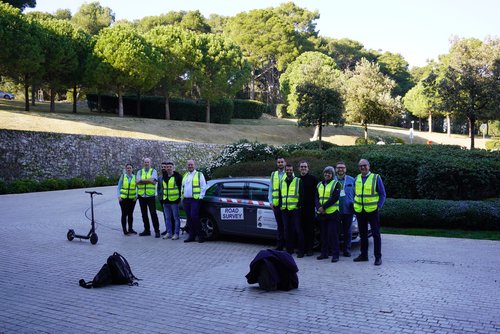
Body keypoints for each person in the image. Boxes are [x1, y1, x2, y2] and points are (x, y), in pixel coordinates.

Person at [353, 159, 386, 266]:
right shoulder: (356, 178)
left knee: (376, 234)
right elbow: (355, 193)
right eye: (360, 166)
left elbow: (382, 194)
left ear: (369, 166)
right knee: (362, 235)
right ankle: (364, 255)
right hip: (360, 211)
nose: (362, 167)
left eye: (364, 165)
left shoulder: (376, 178)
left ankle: (378, 257)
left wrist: (378, 206)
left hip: (372, 211)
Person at [315, 166, 342, 262]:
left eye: (329, 173)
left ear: (332, 174)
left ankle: (335, 255)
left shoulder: (336, 184)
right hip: (322, 214)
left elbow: (335, 198)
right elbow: (316, 198)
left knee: (333, 235)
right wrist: (318, 207)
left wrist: (323, 207)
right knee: (323, 235)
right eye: (326, 173)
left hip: (332, 213)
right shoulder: (319, 184)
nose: (327, 174)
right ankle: (324, 253)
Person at [280, 164, 305, 258]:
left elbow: (302, 195)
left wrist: (298, 206)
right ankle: (289, 250)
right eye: (287, 170)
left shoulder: (298, 180)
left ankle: (300, 251)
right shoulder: (282, 181)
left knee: (298, 231)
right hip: (285, 210)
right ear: (285, 171)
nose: (289, 171)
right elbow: (280, 194)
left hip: (295, 210)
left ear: (293, 170)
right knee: (287, 231)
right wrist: (281, 206)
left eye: (290, 169)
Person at [181, 159, 207, 243]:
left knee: (194, 217)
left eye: (191, 164)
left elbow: (203, 186)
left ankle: (200, 235)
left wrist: (201, 197)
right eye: (188, 165)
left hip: (195, 200)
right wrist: (182, 198)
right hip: (186, 200)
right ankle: (191, 236)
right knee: (189, 219)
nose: (190, 166)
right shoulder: (185, 175)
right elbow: (183, 187)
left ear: (194, 165)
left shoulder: (199, 174)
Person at [334, 161, 355, 257]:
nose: (340, 169)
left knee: (347, 231)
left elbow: (357, 193)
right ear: (335, 169)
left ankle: (347, 250)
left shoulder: (352, 180)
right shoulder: (332, 180)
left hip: (348, 210)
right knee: (335, 231)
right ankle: (336, 250)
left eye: (342, 167)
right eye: (338, 167)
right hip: (335, 210)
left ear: (345, 169)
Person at [157, 162, 183, 240]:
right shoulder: (164, 176)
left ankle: (176, 233)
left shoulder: (177, 176)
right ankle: (169, 233)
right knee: (167, 218)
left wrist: (179, 198)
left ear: (173, 167)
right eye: (167, 167)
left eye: (170, 167)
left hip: (174, 201)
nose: (168, 168)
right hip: (166, 201)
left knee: (176, 218)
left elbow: (181, 188)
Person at [136, 157, 161, 238]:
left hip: (151, 196)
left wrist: (141, 181)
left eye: (148, 162)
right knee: (144, 214)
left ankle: (157, 231)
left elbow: (153, 181)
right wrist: (148, 180)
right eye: (145, 162)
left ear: (150, 163)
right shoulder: (140, 171)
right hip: (141, 196)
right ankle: (147, 230)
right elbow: (137, 182)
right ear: (143, 163)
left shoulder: (154, 171)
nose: (146, 163)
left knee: (153, 213)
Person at [298, 160, 318, 256]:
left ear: (308, 168)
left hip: (310, 208)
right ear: (299, 168)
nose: (303, 168)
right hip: (299, 209)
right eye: (302, 167)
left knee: (310, 230)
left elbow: (317, 194)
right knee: (300, 230)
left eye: (305, 167)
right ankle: (301, 250)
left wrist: (316, 207)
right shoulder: (296, 180)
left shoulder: (313, 179)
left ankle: (310, 249)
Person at [269, 157, 286, 251]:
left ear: (285, 163)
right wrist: (270, 202)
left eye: (281, 162)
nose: (280, 163)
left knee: (286, 226)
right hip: (276, 204)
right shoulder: (273, 174)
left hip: (285, 205)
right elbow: (270, 189)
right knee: (279, 226)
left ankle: (288, 246)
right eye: (278, 162)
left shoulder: (289, 173)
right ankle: (279, 246)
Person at [117, 163, 137, 235]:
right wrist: (119, 196)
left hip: (132, 199)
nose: (129, 169)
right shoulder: (123, 177)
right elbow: (119, 187)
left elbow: (137, 187)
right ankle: (125, 231)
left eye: (130, 168)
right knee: (124, 214)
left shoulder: (135, 177)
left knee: (130, 214)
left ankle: (130, 229)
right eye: (127, 168)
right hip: (123, 199)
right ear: (126, 169)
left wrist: (136, 196)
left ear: (132, 169)